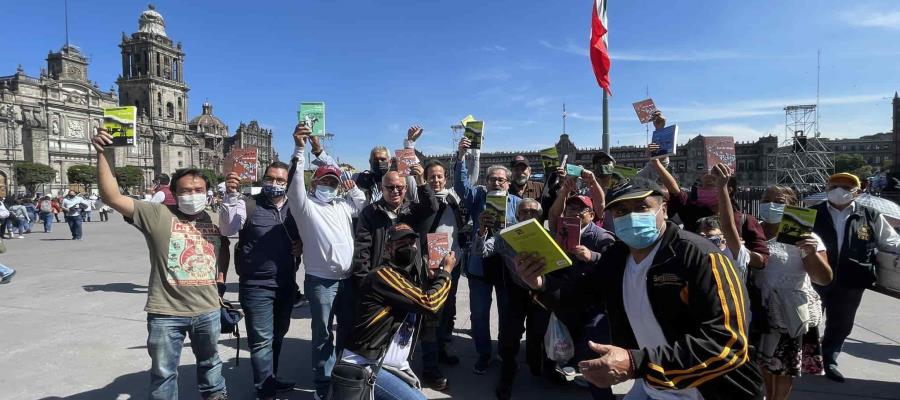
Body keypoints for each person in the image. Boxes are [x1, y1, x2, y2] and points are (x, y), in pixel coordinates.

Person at [515, 179, 764, 399]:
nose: (631, 216)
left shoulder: (701, 257)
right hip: (653, 384)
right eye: (622, 211)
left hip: (714, 389)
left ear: (663, 209)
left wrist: (635, 362)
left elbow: (729, 344)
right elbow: (578, 295)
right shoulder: (617, 257)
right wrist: (540, 283)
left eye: (641, 207)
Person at [92, 127, 229, 400]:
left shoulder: (216, 217)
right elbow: (113, 197)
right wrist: (103, 154)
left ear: (208, 191)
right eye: (186, 190)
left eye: (198, 189)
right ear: (175, 194)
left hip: (208, 310)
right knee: (164, 373)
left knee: (211, 365)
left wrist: (221, 277)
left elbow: (223, 248)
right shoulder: (156, 214)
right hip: (166, 313)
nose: (192, 194)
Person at [287, 123, 366, 400]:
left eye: (333, 183)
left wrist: (348, 183)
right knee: (322, 336)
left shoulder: (343, 205)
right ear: (314, 184)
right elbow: (294, 184)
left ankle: (344, 380)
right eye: (325, 181)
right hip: (321, 282)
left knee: (347, 333)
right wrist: (300, 148)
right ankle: (322, 386)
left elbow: (363, 203)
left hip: (347, 281)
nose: (330, 186)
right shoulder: (305, 207)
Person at [337, 223, 456, 400]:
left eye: (411, 242)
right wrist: (446, 272)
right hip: (366, 364)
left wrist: (434, 279)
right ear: (388, 249)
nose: (408, 247)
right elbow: (430, 303)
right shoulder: (382, 275)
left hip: (393, 366)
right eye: (401, 243)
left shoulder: (405, 279)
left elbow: (429, 304)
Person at [219, 164, 303, 400]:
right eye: (270, 178)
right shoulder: (249, 204)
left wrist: (302, 245)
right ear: (262, 179)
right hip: (256, 286)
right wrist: (231, 196)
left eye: (280, 180)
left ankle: (271, 379)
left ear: (288, 183)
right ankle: (264, 392)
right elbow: (227, 227)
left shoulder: (296, 207)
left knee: (277, 336)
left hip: (286, 284)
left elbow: (308, 235)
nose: (274, 184)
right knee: (261, 341)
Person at [811, 172, 900, 382]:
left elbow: (891, 242)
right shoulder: (811, 213)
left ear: (857, 192)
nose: (839, 190)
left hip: (853, 279)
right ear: (827, 188)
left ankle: (829, 358)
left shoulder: (870, 215)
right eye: (835, 185)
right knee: (810, 320)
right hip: (816, 276)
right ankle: (809, 357)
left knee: (842, 323)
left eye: (846, 186)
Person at [753, 185, 832, 400]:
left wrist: (810, 252)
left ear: (791, 206)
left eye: (778, 201)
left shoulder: (807, 237)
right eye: (765, 200)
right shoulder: (752, 231)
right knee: (762, 367)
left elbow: (823, 278)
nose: (770, 205)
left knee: (784, 369)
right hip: (759, 311)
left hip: (789, 315)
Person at [455, 136, 521, 375]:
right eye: (492, 179)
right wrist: (461, 157)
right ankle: (484, 354)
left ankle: (504, 352)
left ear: (508, 182)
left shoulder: (518, 203)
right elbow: (461, 185)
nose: (496, 182)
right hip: (480, 265)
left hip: (507, 268)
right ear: (486, 181)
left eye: (501, 180)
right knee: (479, 315)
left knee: (506, 314)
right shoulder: (478, 198)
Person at [417, 159, 466, 389]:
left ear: (445, 178)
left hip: (451, 266)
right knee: (431, 318)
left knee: (447, 313)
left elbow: (457, 232)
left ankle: (441, 350)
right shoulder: (420, 201)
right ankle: (429, 366)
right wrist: (424, 261)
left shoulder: (452, 201)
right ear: (425, 179)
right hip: (430, 268)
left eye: (439, 176)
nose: (436, 180)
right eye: (431, 177)